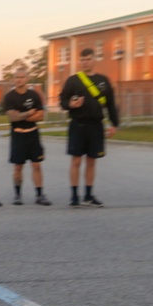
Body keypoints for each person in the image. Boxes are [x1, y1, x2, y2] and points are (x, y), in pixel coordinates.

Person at [59, 47, 119, 207]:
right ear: (80, 61)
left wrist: (114, 124)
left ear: (94, 60)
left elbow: (111, 105)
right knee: (76, 161)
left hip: (96, 126)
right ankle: (74, 196)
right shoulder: (73, 80)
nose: (86, 62)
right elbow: (62, 101)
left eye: (89, 59)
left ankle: (88, 195)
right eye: (83, 60)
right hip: (78, 125)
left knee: (92, 161)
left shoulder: (103, 81)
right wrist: (70, 104)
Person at [2, 67, 50, 206]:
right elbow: (12, 117)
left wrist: (21, 115)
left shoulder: (34, 95)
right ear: (13, 79)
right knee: (18, 166)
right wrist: (29, 114)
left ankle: (40, 195)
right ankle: (17, 195)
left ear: (27, 79)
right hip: (18, 136)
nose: (19, 79)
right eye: (17, 77)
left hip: (33, 135)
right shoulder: (10, 97)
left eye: (22, 77)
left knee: (36, 165)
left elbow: (40, 115)